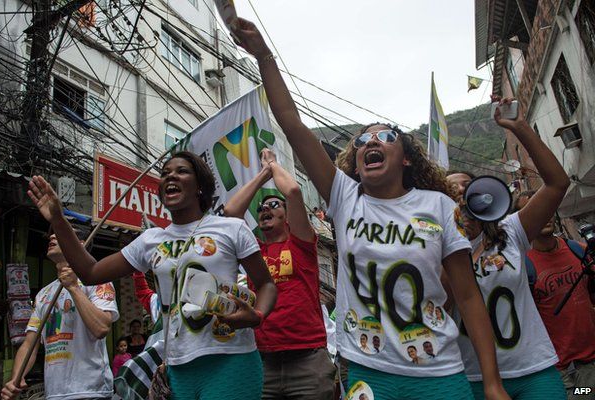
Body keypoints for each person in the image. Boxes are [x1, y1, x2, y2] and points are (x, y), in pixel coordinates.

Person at [232, 18, 508, 400]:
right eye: (363, 139)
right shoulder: (345, 197)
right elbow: (292, 125)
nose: (370, 142)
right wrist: (264, 56)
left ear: (407, 158)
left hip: (439, 371)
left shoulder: (440, 206)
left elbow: (467, 296)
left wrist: (492, 383)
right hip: (367, 371)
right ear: (356, 158)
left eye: (384, 136)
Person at [25, 151, 277, 400]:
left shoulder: (231, 228)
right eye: (165, 173)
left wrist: (256, 316)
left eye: (181, 171)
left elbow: (266, 284)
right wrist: (59, 218)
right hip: (177, 368)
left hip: (231, 360)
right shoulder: (150, 240)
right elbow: (90, 272)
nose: (170, 177)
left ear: (200, 185)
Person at [453, 96, 570, 400]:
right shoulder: (433, 250)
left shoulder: (511, 231)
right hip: (471, 379)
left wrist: (519, 128)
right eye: (450, 190)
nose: (461, 194)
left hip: (534, 370)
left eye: (467, 186)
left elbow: (557, 183)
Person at [224, 148, 335, 399]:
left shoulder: (301, 244)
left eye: (274, 204)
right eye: (261, 207)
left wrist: (273, 165)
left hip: (308, 359)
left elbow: (293, 191)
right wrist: (263, 175)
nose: (265, 208)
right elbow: (231, 213)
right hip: (263, 361)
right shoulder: (254, 250)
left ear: (288, 217)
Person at [1, 231, 119, 400]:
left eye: (60, 234)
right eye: (51, 234)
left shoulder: (97, 280)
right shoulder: (43, 294)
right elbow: (29, 345)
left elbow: (101, 328)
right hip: (54, 393)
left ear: (80, 245)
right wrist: (15, 380)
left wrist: (73, 287)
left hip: (91, 391)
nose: (52, 237)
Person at [515, 191, 595, 400]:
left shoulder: (577, 249)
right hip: (556, 370)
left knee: (587, 394)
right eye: (535, 210)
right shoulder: (521, 266)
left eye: (548, 208)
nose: (545, 215)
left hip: (589, 364)